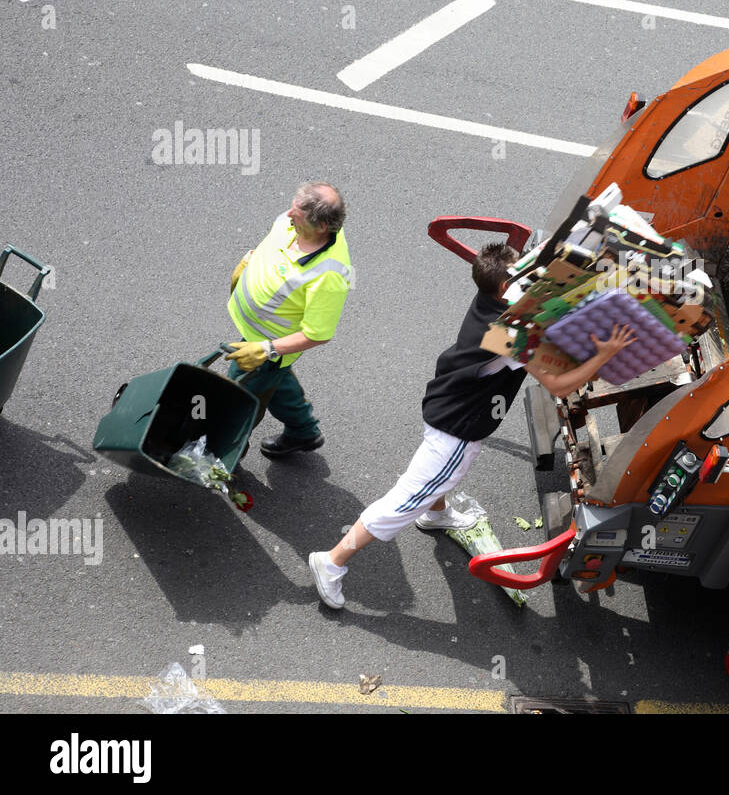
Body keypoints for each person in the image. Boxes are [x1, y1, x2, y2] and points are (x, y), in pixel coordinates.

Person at [307, 242, 635, 610]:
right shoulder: (507, 331)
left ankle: (436, 514)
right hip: (457, 431)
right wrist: (605, 354)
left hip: (446, 403)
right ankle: (331, 561)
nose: (531, 278)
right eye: (523, 275)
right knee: (402, 502)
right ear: (505, 287)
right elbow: (558, 385)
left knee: (436, 481)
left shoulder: (491, 303)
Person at [225, 182, 352, 458]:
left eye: (298, 214)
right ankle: (303, 432)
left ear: (321, 226)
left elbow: (317, 334)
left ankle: (222, 457)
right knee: (277, 380)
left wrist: (265, 350)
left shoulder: (329, 275)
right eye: (293, 207)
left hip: (266, 348)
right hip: (257, 337)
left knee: (235, 402)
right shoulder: (293, 221)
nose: (289, 214)